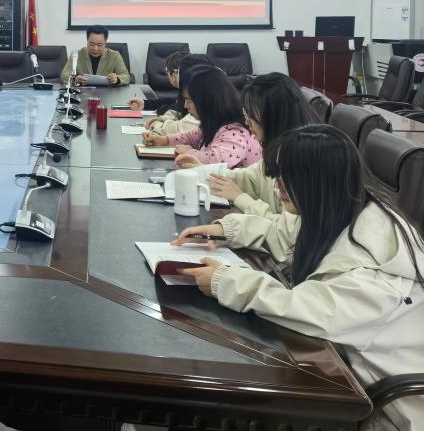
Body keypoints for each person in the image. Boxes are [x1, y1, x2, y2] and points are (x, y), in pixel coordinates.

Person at [173, 125, 424, 431]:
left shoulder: (374, 265)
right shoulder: (347, 210)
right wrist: (225, 230)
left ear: (318, 182)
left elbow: (305, 308)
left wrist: (224, 280)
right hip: (346, 373)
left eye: (288, 176)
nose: (277, 184)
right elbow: (284, 233)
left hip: (388, 412)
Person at [177, 72, 316, 216]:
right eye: (246, 114)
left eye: (251, 115)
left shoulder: (301, 163)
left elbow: (285, 226)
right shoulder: (277, 152)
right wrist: (202, 171)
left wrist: (240, 198)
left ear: (274, 116)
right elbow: (248, 178)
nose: (247, 122)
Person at [142, 66, 261, 168]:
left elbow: (219, 160)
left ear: (207, 101)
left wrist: (190, 152)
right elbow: (194, 137)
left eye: (189, 100)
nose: (185, 105)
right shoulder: (216, 124)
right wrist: (165, 140)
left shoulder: (235, 130)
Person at [140, 53, 213, 133]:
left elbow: (184, 127)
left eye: (179, 72)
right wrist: (161, 119)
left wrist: (156, 125)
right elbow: (179, 111)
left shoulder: (203, 96)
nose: (185, 105)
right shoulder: (196, 89)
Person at [59, 26, 130, 86]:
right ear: (87, 41)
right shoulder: (76, 55)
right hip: (83, 94)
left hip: (107, 95)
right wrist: (75, 79)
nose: (95, 49)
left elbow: (126, 76)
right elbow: (64, 75)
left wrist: (117, 79)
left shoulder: (114, 56)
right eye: (92, 44)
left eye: (99, 45)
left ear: (105, 43)